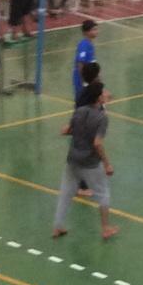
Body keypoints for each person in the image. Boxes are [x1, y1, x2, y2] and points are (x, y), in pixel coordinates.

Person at [52, 68, 117, 242]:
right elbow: (97, 143)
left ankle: (57, 226)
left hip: (72, 159)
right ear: (98, 98)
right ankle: (106, 228)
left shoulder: (79, 111)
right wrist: (107, 164)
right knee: (103, 193)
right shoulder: (102, 118)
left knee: (66, 193)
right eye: (102, 93)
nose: (105, 95)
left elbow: (66, 130)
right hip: (90, 163)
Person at [72, 18, 99, 102]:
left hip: (89, 78)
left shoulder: (90, 44)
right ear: (86, 32)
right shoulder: (84, 45)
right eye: (94, 29)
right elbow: (80, 63)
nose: (97, 31)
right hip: (81, 79)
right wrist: (84, 81)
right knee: (81, 100)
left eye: (96, 29)